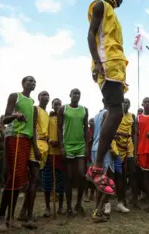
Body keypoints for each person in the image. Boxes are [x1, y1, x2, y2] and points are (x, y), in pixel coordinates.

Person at [87, 0, 127, 194]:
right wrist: (97, 62)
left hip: (116, 68)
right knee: (117, 111)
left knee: (115, 111)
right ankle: (97, 167)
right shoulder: (100, 6)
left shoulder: (113, 15)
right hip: (107, 65)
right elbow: (90, 35)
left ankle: (98, 166)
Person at [0, 76, 40, 232]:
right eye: (29, 81)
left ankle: (10, 216)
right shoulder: (15, 96)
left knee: (20, 179)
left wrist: (36, 147)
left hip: (26, 141)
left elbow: (33, 128)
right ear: (23, 83)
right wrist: (15, 116)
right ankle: (0, 216)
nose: (32, 83)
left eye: (34, 81)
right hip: (14, 137)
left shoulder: (33, 105)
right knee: (13, 177)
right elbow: (5, 119)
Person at [18, 91, 50, 229]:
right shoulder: (35, 109)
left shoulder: (47, 113)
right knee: (35, 179)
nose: (45, 97)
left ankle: (23, 212)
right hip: (35, 146)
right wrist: (35, 147)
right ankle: (29, 217)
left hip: (45, 147)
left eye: (47, 95)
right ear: (38, 97)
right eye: (43, 95)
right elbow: (32, 127)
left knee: (34, 180)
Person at [58, 88, 88, 217]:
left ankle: (79, 204)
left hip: (80, 145)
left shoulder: (84, 110)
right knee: (69, 177)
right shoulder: (63, 109)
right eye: (74, 93)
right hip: (68, 145)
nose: (76, 95)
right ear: (70, 95)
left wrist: (87, 145)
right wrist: (61, 147)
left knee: (82, 174)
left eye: (78, 93)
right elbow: (59, 128)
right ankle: (69, 207)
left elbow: (86, 128)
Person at [111, 98, 136, 211]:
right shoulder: (116, 115)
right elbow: (111, 130)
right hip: (117, 146)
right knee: (120, 175)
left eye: (128, 102)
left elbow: (134, 132)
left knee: (132, 172)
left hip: (129, 146)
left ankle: (134, 198)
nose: (126, 104)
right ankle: (121, 199)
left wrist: (135, 147)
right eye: (124, 102)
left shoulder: (132, 116)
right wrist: (119, 134)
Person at [42, 98, 66, 217]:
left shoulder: (65, 118)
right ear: (52, 106)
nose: (57, 106)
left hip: (61, 154)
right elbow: (43, 132)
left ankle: (61, 206)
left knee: (61, 182)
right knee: (47, 181)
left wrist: (62, 144)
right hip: (49, 153)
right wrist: (49, 140)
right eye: (55, 104)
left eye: (59, 104)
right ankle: (47, 207)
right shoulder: (48, 118)